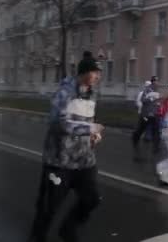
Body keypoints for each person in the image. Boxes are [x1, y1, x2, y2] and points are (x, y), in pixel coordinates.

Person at [28, 54, 104, 242]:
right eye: (94, 72)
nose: (97, 77)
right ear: (84, 72)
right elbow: (58, 124)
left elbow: (88, 120)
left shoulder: (92, 94)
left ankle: (68, 229)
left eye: (98, 73)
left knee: (91, 199)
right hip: (59, 162)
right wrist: (89, 129)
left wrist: (93, 135)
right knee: (49, 208)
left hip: (84, 161)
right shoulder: (65, 93)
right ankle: (37, 238)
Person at [133, 76, 161, 152]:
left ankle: (156, 146)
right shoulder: (147, 90)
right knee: (141, 128)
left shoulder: (157, 90)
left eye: (157, 81)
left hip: (154, 113)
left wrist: (158, 104)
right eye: (155, 81)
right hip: (146, 114)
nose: (157, 82)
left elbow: (158, 101)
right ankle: (135, 139)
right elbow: (143, 100)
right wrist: (151, 99)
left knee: (156, 129)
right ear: (152, 82)